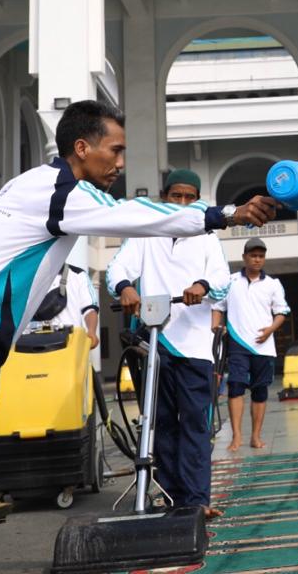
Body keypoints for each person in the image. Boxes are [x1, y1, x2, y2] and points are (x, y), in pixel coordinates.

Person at [0, 100, 277, 574]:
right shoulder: (64, 191)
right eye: (114, 151)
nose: (119, 163)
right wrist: (225, 214)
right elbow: (134, 214)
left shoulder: (30, 183)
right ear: (81, 147)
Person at [106, 168, 229, 519]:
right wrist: (126, 288)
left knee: (195, 423)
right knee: (159, 421)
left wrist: (202, 286)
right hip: (155, 343)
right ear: (165, 197)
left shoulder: (207, 235)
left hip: (194, 346)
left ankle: (196, 498)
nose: (184, 203)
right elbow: (117, 267)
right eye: (177, 196)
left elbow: (222, 279)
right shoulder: (147, 232)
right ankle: (173, 496)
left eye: (190, 197)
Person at [212, 237, 289, 451]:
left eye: (260, 256)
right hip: (237, 345)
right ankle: (236, 436)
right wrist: (215, 327)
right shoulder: (230, 281)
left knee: (260, 391)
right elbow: (218, 306)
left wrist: (270, 331)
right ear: (244, 257)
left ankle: (256, 436)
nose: (257, 259)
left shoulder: (273, 284)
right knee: (235, 388)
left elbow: (281, 312)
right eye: (253, 255)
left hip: (264, 347)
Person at [26, 263, 100, 347]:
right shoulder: (27, 276)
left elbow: (89, 309)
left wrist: (91, 331)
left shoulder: (78, 274)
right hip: (32, 344)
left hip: (70, 342)